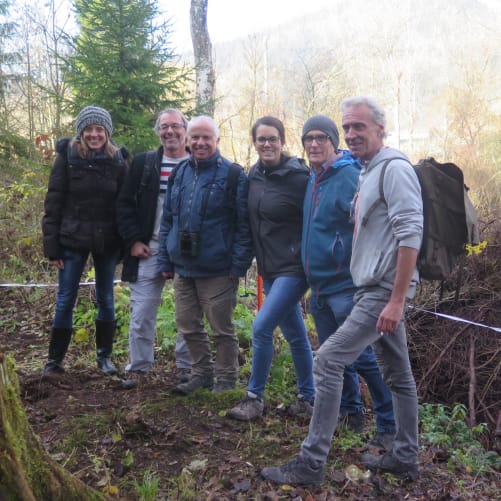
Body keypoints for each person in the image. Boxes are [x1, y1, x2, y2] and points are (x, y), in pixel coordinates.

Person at [261, 96, 423, 485]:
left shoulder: (394, 169)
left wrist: (397, 300)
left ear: (380, 130)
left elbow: (410, 234)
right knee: (399, 375)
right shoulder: (368, 170)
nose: (351, 134)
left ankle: (311, 463)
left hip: (381, 292)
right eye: (347, 127)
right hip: (369, 288)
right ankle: (404, 455)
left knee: (328, 360)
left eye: (359, 127)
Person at [300, 114, 396, 450]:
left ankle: (388, 423)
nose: (314, 144)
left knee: (365, 358)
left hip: (346, 285)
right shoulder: (314, 178)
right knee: (337, 360)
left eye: (321, 137)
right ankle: (351, 412)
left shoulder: (350, 175)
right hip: (320, 286)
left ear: (332, 141)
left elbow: (368, 226)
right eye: (308, 138)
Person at [227, 116, 315, 421]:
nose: (267, 144)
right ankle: (309, 397)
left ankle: (254, 397)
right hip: (270, 268)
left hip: (294, 268)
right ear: (255, 142)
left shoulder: (300, 177)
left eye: (272, 139)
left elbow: (317, 220)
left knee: (262, 326)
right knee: (295, 334)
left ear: (282, 141)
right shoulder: (254, 176)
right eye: (261, 139)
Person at [158, 116, 253, 394]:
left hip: (218, 269)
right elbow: (168, 220)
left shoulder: (234, 175)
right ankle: (201, 374)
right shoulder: (180, 173)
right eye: (195, 137)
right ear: (187, 140)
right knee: (187, 325)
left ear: (217, 141)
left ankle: (226, 379)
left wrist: (238, 265)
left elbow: (244, 226)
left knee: (221, 329)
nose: (200, 143)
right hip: (183, 268)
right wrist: (165, 259)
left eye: (206, 138)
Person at [42, 105, 129, 376]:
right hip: (72, 239)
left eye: (99, 129)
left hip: (107, 242)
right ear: (81, 132)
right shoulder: (66, 158)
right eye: (89, 129)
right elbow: (53, 202)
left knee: (106, 298)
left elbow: (125, 205)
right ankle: (54, 362)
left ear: (107, 132)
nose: (94, 134)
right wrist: (51, 245)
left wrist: (125, 243)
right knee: (65, 298)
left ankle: (104, 359)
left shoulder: (119, 161)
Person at [116, 108, 192, 381]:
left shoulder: (198, 163)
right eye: (164, 127)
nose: (169, 131)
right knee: (142, 313)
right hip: (149, 249)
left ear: (186, 130)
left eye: (175, 126)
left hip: (187, 252)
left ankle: (186, 367)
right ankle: (138, 368)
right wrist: (134, 240)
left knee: (188, 313)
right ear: (158, 132)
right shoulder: (144, 164)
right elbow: (123, 204)